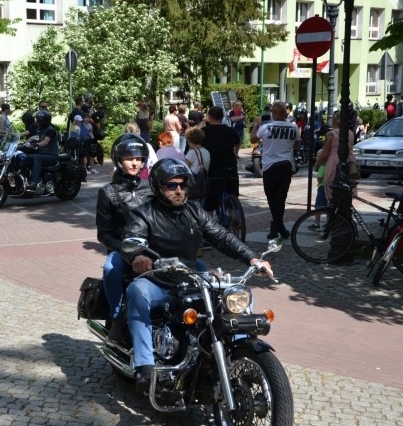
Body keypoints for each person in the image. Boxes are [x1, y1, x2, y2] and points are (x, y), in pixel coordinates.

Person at [121, 158, 273, 392]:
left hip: (189, 278)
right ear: (158, 187)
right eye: (171, 185)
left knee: (234, 294)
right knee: (136, 292)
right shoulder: (144, 213)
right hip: (158, 281)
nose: (178, 190)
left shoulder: (194, 211)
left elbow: (221, 237)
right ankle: (144, 364)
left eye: (182, 184)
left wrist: (253, 259)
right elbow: (133, 239)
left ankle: (237, 350)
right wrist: (138, 256)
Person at [95, 135, 152, 341]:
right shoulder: (108, 192)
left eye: (138, 158)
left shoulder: (151, 187)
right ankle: (117, 316)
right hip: (122, 248)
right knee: (111, 269)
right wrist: (123, 248)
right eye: (129, 158)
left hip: (152, 247)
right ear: (119, 160)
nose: (135, 162)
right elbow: (104, 233)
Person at [253, 101, 299, 239]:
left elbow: (252, 139)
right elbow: (296, 145)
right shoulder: (293, 127)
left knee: (272, 198)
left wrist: (256, 124)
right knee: (281, 197)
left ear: (274, 113)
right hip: (286, 165)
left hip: (270, 166)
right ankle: (279, 227)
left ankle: (275, 228)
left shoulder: (266, 127)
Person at [201, 106, 240, 213]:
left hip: (213, 167)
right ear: (222, 117)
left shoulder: (204, 132)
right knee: (232, 194)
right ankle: (234, 217)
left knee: (210, 201)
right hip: (230, 165)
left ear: (209, 117)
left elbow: (194, 140)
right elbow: (237, 143)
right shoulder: (231, 131)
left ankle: (209, 226)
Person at [316, 110, 357, 202]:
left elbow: (324, 154)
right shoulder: (350, 133)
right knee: (346, 187)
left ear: (334, 121)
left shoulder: (331, 134)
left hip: (334, 161)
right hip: (349, 160)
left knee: (332, 188)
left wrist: (317, 165)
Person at [26, 110, 59, 190]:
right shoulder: (39, 129)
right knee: (25, 157)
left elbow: (45, 142)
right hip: (43, 154)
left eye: (39, 120)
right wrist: (21, 144)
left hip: (51, 156)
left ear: (44, 121)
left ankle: (34, 182)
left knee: (37, 158)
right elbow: (34, 138)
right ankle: (25, 180)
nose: (37, 121)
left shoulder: (50, 130)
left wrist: (36, 144)